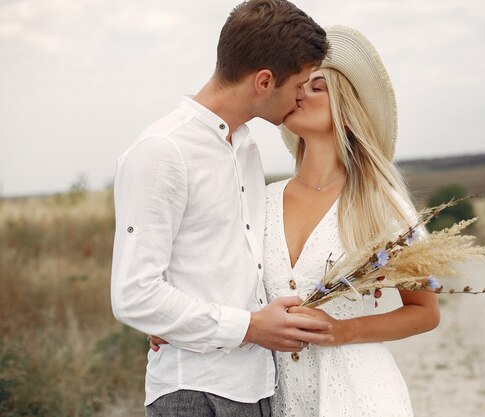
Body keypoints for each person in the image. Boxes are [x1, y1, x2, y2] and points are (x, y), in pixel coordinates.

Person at [110, 1, 333, 416]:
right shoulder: (163, 152)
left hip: (259, 386)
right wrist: (250, 326)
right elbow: (133, 295)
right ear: (265, 81)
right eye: (300, 84)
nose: (303, 96)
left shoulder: (245, 147)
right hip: (193, 393)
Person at [263, 26, 441, 416]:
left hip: (361, 397)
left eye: (317, 87)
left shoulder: (381, 204)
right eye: (299, 85)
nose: (300, 93)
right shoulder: (261, 203)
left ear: (345, 113)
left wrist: (341, 331)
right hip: (277, 400)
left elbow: (426, 311)